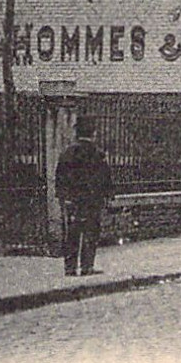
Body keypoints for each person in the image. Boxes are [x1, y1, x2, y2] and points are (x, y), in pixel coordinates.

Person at [55, 118, 113, 277]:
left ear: (76, 133)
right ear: (93, 133)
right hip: (92, 200)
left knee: (72, 233)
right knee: (90, 233)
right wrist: (107, 196)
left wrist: (62, 196)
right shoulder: (98, 154)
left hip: (72, 199)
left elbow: (60, 176)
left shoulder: (68, 153)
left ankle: (70, 268)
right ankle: (87, 266)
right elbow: (105, 177)